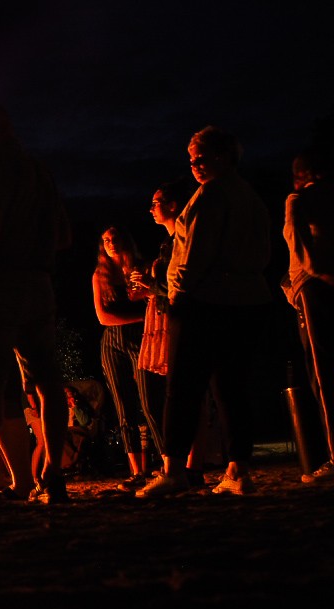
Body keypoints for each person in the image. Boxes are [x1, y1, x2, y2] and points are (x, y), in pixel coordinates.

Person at [138, 126, 272, 498]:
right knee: (232, 386)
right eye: (192, 160)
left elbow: (192, 255)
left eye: (202, 158)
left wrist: (179, 295)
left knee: (183, 387)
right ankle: (238, 468)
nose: (196, 166)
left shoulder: (210, 196)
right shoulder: (251, 197)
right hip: (247, 300)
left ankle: (173, 469)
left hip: (206, 301)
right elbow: (263, 252)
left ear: (224, 156)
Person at [0, 101, 72, 504]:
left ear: (0, 128)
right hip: (39, 283)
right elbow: (64, 235)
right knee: (47, 380)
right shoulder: (41, 172)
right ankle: (54, 475)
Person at [129, 179, 213, 488]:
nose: (151, 208)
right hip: (165, 316)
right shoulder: (167, 244)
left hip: (181, 314)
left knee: (190, 388)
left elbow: (184, 283)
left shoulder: (184, 238)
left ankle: (192, 464)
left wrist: (152, 286)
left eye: (156, 202)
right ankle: (180, 462)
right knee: (174, 390)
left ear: (173, 205)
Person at [92, 225, 162, 490]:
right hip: (113, 342)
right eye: (105, 240)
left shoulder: (142, 268)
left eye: (114, 238)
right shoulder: (100, 275)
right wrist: (141, 316)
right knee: (124, 407)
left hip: (142, 339)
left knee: (150, 402)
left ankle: (165, 463)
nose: (110, 243)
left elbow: (154, 298)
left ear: (125, 240)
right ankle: (136, 472)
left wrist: (145, 294)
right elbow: (103, 317)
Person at [281, 147, 334, 483]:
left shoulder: (298, 201)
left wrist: (308, 277)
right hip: (315, 284)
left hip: (315, 287)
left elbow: (296, 241)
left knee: (323, 369)